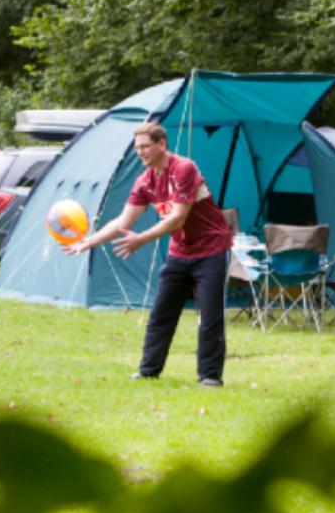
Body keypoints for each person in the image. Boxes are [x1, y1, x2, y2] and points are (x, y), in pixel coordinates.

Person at [65, 123, 232, 386]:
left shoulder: (184, 168)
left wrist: (142, 239)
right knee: (161, 313)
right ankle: (148, 371)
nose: (140, 152)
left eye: (145, 146)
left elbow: (177, 218)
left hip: (211, 249)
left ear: (161, 144)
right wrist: (88, 242)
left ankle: (210, 377)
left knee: (209, 316)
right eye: (137, 148)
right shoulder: (145, 181)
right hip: (180, 253)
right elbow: (123, 221)